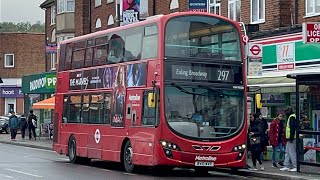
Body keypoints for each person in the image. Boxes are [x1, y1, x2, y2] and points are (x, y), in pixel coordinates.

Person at [280, 106, 297, 172]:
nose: (285, 113)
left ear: (289, 111)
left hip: (292, 138)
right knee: (287, 152)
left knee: (292, 152)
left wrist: (291, 138)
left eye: (286, 111)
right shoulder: (291, 117)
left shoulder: (292, 117)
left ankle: (295, 166)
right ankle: (286, 165)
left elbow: (293, 128)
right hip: (289, 138)